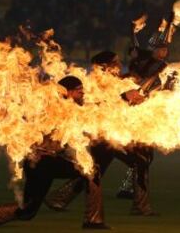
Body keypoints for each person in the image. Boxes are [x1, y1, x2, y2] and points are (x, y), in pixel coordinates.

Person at [0, 76, 111, 229]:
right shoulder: (59, 108)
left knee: (28, 210)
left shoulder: (65, 107)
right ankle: (93, 220)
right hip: (42, 162)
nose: (83, 94)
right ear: (67, 92)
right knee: (91, 171)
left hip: (43, 162)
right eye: (79, 91)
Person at [44, 51, 158, 216]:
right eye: (116, 62)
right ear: (105, 66)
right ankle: (141, 206)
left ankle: (59, 197)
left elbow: (123, 103)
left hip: (112, 134)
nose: (119, 66)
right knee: (137, 161)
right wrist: (123, 98)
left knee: (96, 170)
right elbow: (94, 108)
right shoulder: (90, 85)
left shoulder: (118, 82)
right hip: (98, 136)